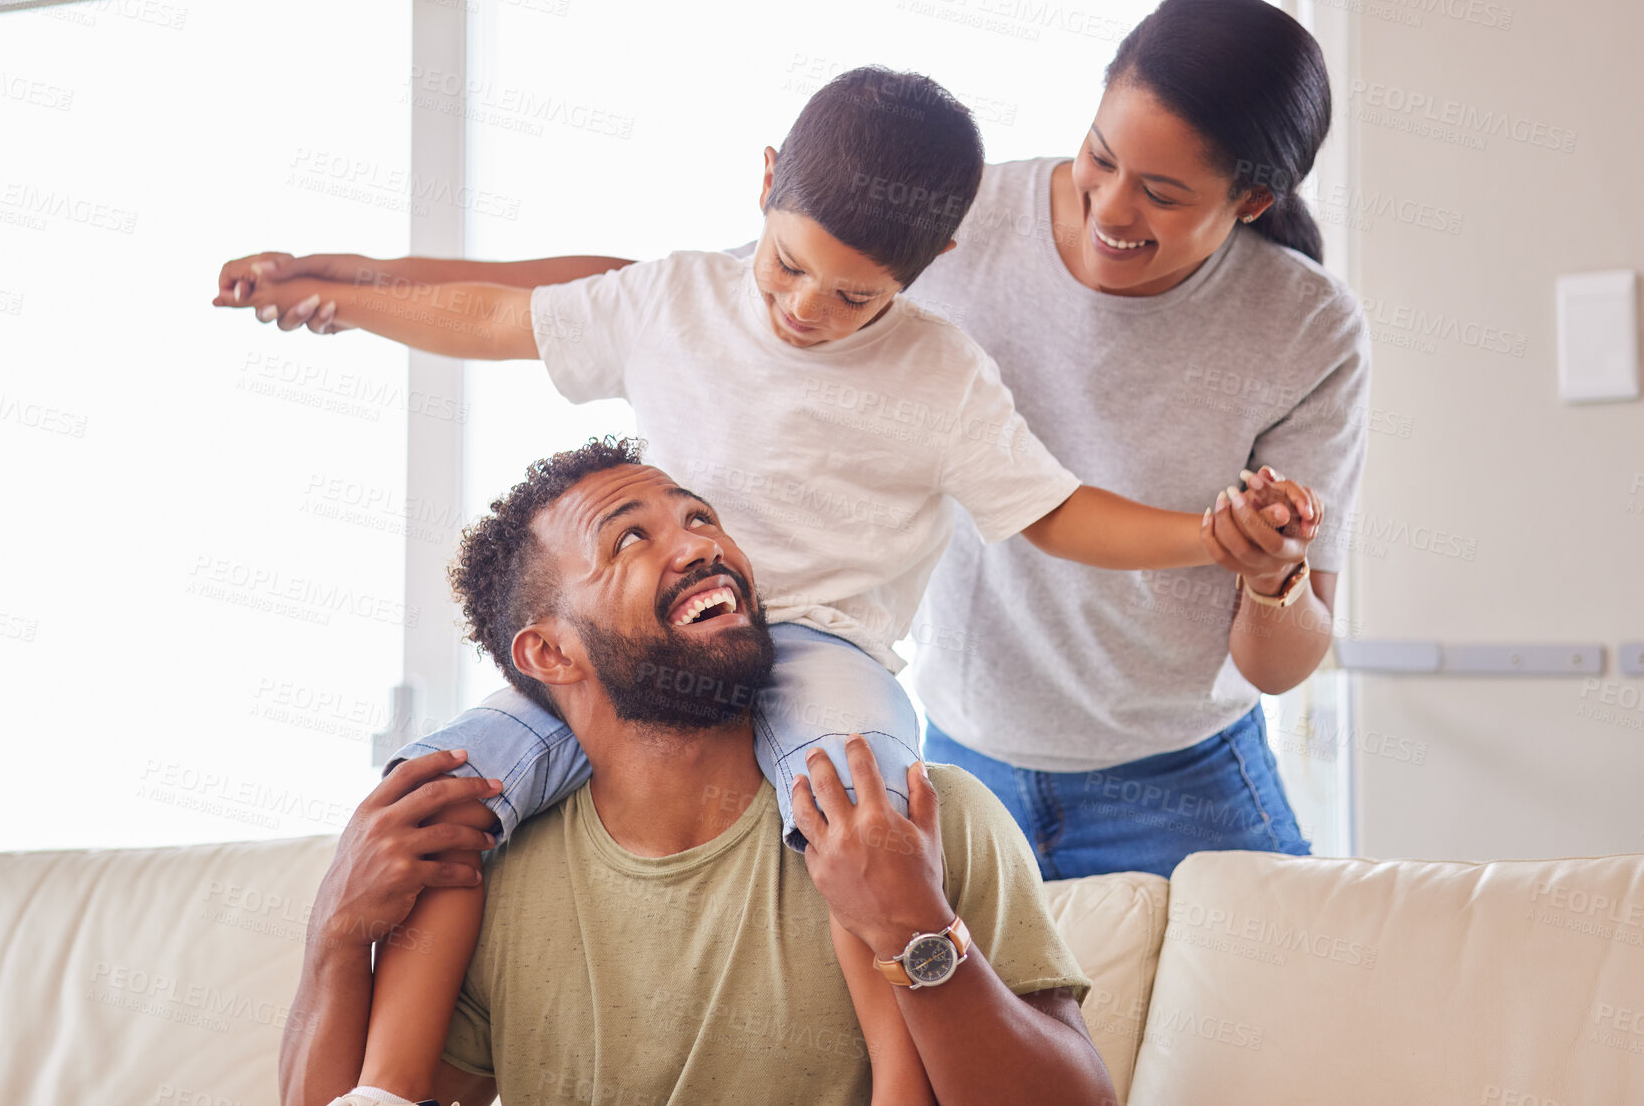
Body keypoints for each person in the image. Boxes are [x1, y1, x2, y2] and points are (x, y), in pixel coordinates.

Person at [218, 66, 1319, 1104]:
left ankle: (900, 1084)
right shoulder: (673, 303)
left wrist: (1212, 538)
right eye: (788, 267)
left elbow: (1055, 510)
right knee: (440, 793)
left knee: (858, 809)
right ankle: (382, 1089)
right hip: (668, 640)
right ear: (762, 183)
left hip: (823, 644)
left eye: (853, 296)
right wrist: (336, 288)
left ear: (931, 260)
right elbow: (495, 315)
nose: (805, 310)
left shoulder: (939, 374)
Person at [279, 438, 1117, 1106]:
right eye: (630, 539)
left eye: (700, 517)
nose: (700, 545)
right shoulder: (494, 872)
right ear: (549, 650)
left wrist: (915, 929)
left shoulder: (922, 816)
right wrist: (336, 937)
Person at [899, 0, 1371, 880]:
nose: (1111, 210)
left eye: (1160, 193)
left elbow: (1283, 663)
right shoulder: (960, 218)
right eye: (1100, 158)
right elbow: (745, 294)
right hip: (961, 767)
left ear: (1252, 199)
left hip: (1183, 782)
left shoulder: (1307, 325)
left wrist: (1272, 574)